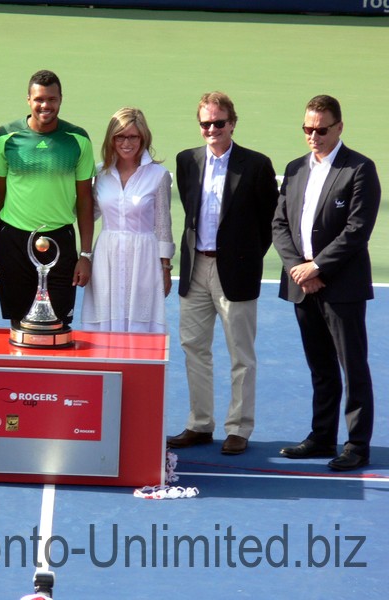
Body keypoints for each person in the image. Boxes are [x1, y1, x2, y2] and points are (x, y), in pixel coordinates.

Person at [167, 91, 278, 456]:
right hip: (195, 268)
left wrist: (244, 258)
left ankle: (238, 428)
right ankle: (200, 424)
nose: (211, 129)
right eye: (205, 123)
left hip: (236, 272)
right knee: (194, 348)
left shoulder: (256, 165)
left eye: (218, 122)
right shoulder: (187, 161)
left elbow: (270, 223)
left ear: (232, 122)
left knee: (240, 354)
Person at [273, 95, 380, 471]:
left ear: (339, 127)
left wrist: (317, 267)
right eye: (307, 129)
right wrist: (297, 268)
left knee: (352, 366)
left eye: (321, 129)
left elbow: (357, 231)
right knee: (320, 366)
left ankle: (357, 444)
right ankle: (321, 437)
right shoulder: (295, 168)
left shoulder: (360, 169)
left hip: (341, 288)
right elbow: (280, 224)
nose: (313, 136)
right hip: (303, 285)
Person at [0, 69, 95, 326]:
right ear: (28, 99)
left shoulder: (78, 139)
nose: (45, 105)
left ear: (60, 99)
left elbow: (85, 200)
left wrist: (86, 255)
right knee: (20, 323)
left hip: (60, 239)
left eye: (51, 99)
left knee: (58, 325)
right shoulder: (6, 137)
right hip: (13, 240)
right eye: (39, 99)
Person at [81, 107, 175, 333]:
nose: (126, 142)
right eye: (120, 136)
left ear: (143, 137)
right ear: (111, 139)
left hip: (144, 259)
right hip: (106, 258)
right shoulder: (99, 173)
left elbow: (163, 225)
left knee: (141, 330)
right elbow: (87, 214)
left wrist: (165, 268)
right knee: (103, 328)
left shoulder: (158, 175)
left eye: (133, 136)